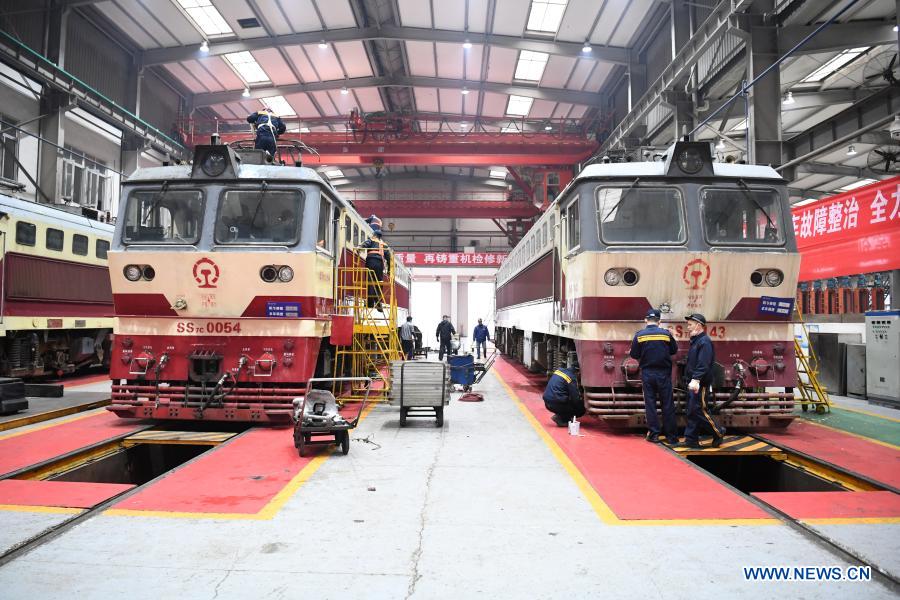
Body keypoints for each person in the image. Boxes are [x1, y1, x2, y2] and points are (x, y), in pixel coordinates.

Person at [629, 308, 679, 444]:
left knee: (650, 404)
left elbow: (634, 355)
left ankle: (654, 434)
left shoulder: (639, 335)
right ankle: (671, 437)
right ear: (659, 321)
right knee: (667, 404)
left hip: (647, 373)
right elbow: (674, 350)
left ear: (646, 320)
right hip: (664, 374)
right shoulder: (666, 334)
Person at [682, 313, 725, 448]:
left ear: (699, 326)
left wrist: (696, 379)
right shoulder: (696, 341)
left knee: (699, 410)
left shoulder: (704, 342)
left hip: (700, 384)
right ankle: (691, 440)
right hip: (694, 382)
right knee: (691, 411)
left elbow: (703, 363)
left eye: (690, 325)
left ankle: (718, 432)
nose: (687, 327)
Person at [361, 231, 391, 310]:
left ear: (374, 235)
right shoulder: (384, 245)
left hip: (370, 262)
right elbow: (389, 258)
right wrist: (389, 271)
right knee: (379, 283)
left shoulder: (371, 240)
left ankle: (370, 303)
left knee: (370, 282)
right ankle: (378, 304)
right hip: (379, 264)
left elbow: (364, 245)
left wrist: (359, 248)